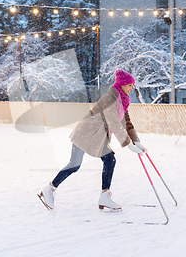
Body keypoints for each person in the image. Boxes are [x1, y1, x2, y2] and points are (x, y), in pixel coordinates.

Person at [38, 69, 148, 211]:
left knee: (108, 160)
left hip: (97, 135)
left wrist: (136, 141)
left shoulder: (122, 100)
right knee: (75, 164)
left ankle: (104, 196)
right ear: (121, 84)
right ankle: (50, 189)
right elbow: (114, 121)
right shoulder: (110, 98)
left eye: (132, 86)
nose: (131, 88)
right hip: (86, 132)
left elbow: (126, 122)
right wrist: (128, 145)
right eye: (129, 85)